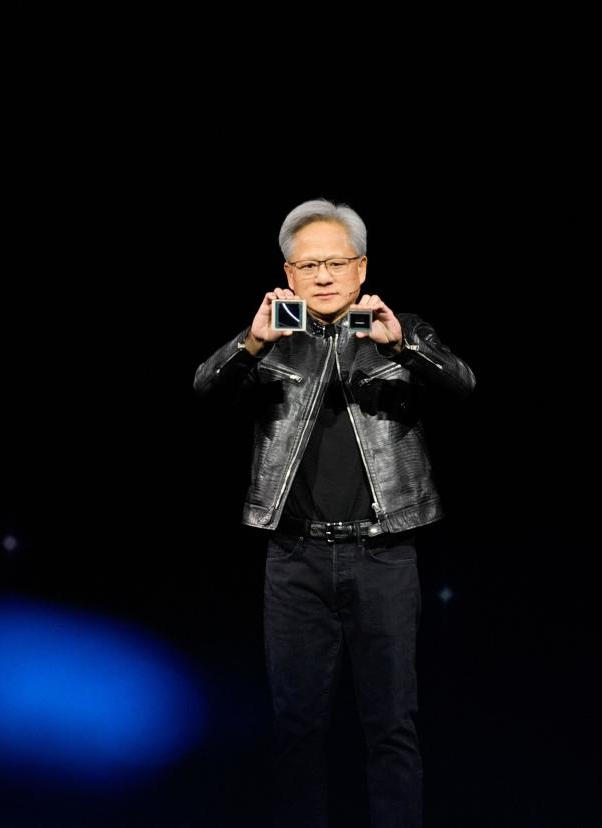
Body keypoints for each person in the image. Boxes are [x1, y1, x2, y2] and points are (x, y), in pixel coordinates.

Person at [192, 199, 476, 827]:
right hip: (294, 558)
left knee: (392, 726)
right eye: (308, 264)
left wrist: (403, 348)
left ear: (362, 267)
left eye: (336, 262)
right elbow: (203, 393)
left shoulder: (398, 329)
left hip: (383, 553)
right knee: (296, 728)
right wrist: (250, 343)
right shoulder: (270, 339)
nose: (323, 276)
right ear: (287, 274)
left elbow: (463, 386)